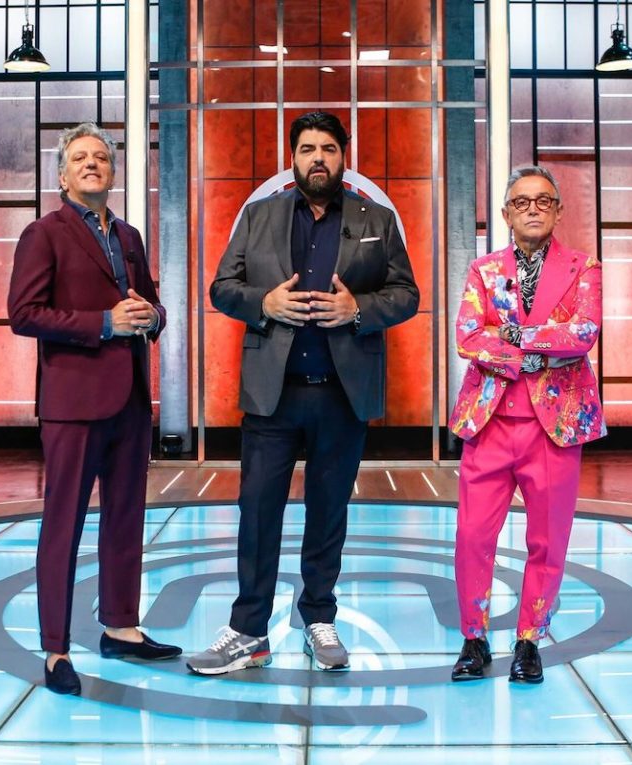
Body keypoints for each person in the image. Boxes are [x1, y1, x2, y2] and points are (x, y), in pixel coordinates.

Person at [189, 111, 419, 675]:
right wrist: (263, 303)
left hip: (342, 394)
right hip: (273, 393)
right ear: (292, 158)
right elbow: (222, 287)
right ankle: (249, 630)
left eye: (329, 149)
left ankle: (319, 618)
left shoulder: (376, 219)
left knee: (328, 512)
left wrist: (358, 308)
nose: (319, 158)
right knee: (257, 512)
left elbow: (406, 294)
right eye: (308, 149)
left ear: (344, 157)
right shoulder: (259, 216)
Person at [8, 122, 181, 696]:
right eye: (80, 157)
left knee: (126, 517)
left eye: (101, 157)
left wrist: (152, 317)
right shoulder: (43, 234)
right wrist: (104, 324)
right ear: (63, 176)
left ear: (112, 172)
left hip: (129, 399)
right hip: (73, 403)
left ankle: (121, 627)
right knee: (64, 524)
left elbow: (151, 303)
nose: (92, 164)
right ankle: (56, 649)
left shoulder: (128, 236)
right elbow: (24, 314)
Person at [448, 165, 606, 684]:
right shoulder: (484, 270)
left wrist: (513, 336)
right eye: (521, 202)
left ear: (558, 210)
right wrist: (539, 348)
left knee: (548, 540)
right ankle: (474, 638)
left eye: (543, 200)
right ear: (506, 214)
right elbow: (469, 336)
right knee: (472, 536)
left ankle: (529, 641)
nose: (532, 208)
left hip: (554, 426)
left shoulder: (584, 267)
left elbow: (583, 333)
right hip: (489, 421)